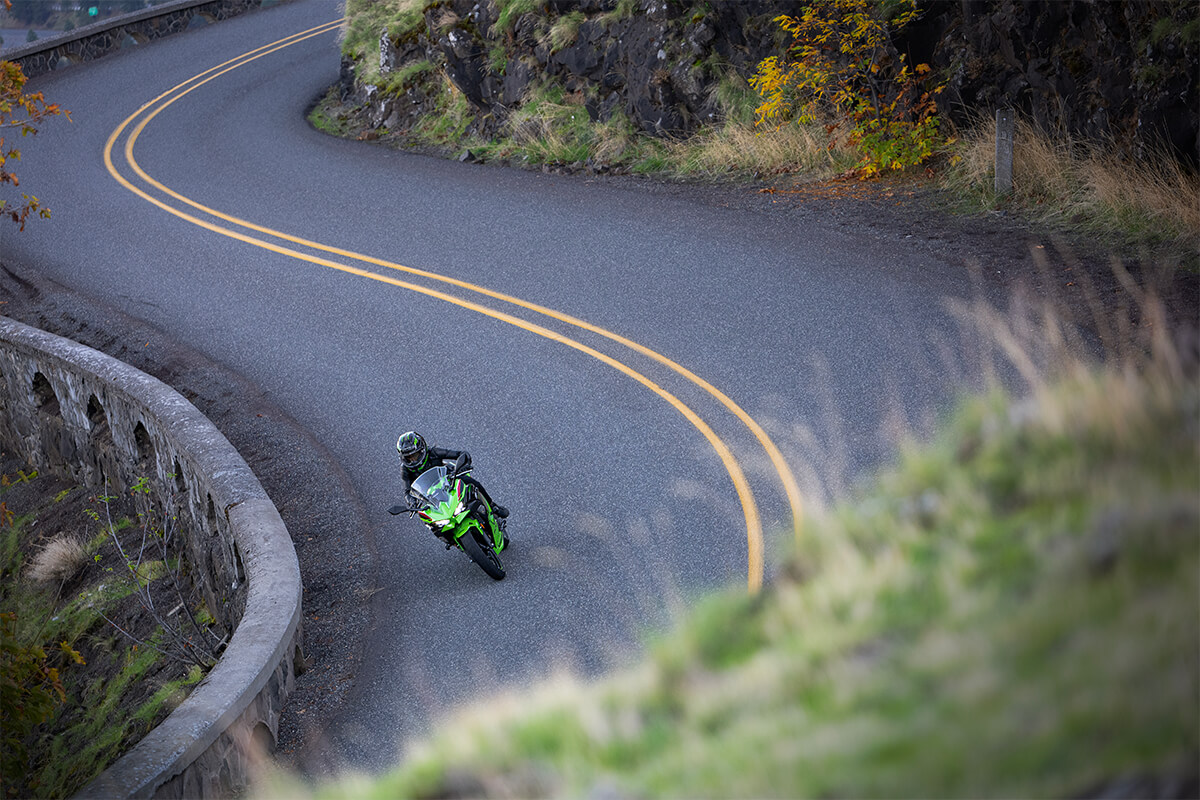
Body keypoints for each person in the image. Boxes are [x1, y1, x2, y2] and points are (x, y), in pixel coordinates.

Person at [396, 431, 509, 538]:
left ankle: (493, 506)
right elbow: (407, 491)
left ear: (421, 450)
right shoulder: (405, 469)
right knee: (428, 519)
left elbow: (461, 454)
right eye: (408, 457)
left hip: (448, 481)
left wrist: (463, 464)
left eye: (414, 455)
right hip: (429, 495)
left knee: (470, 482)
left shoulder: (433, 453)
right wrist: (412, 502)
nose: (412, 459)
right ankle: (448, 538)